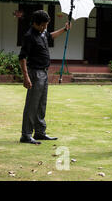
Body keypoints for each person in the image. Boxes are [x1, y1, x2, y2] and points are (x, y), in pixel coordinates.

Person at [19, 9, 71, 144]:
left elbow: (50, 36)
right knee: (32, 104)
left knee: (41, 104)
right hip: (34, 73)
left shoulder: (42, 33)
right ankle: (26, 134)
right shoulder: (29, 36)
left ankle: (40, 132)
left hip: (44, 72)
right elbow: (22, 57)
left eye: (46, 25)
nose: (45, 28)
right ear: (35, 23)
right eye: (43, 25)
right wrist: (26, 77)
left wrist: (64, 30)